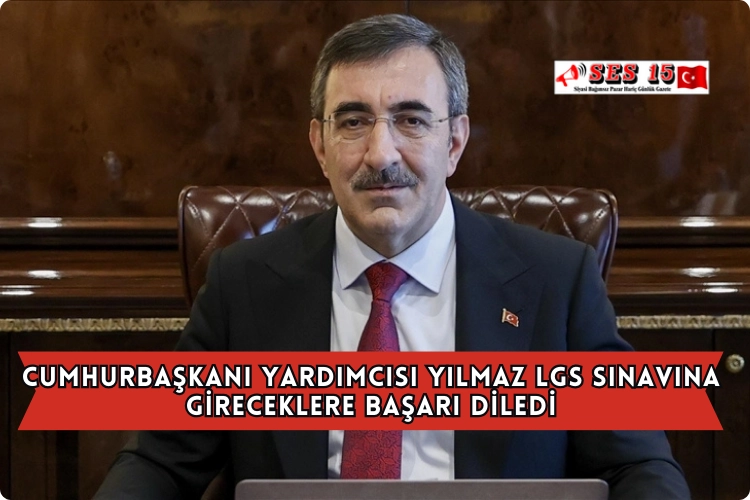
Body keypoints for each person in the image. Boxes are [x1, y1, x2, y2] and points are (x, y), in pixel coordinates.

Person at [96, 14, 690, 499]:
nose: (381, 154)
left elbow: (639, 467)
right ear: (320, 145)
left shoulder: (558, 281)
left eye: (411, 120)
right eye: (353, 122)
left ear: (454, 141)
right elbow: (157, 464)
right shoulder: (244, 283)